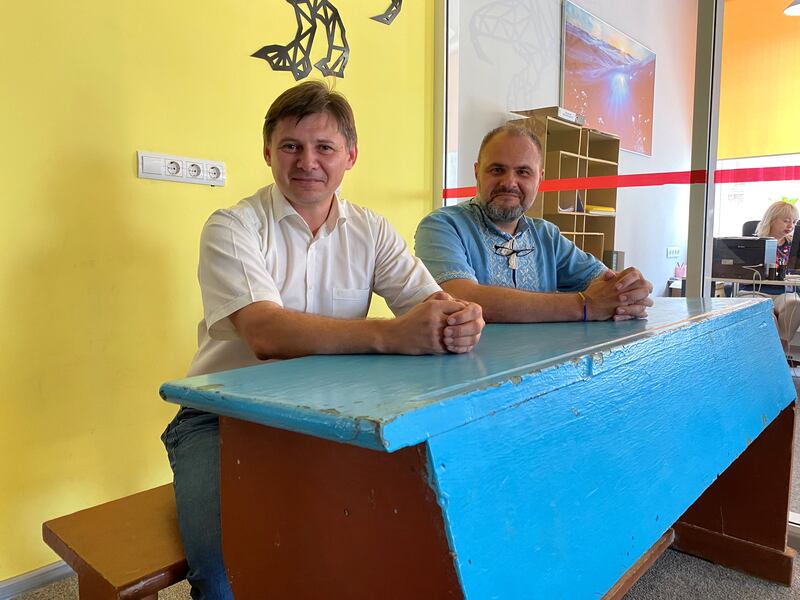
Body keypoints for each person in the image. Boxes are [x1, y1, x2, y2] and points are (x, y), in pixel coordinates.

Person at [161, 81, 485, 599]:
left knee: (375, 538)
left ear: (350, 156)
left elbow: (430, 303)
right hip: (219, 418)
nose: (307, 161)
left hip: (328, 416)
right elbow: (265, 332)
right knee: (224, 573)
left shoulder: (372, 231)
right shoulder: (232, 226)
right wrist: (393, 335)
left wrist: (459, 318)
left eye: (325, 147)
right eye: (291, 146)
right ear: (267, 151)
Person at [414, 124, 653, 322]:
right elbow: (459, 297)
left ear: (540, 178)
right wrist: (585, 305)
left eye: (523, 172)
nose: (509, 182)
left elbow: (606, 283)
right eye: (497, 170)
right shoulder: (442, 226)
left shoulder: (547, 236)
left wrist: (628, 290)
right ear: (477, 172)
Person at [740, 200, 800, 352]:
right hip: (754, 291)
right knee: (766, 314)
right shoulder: (753, 243)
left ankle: (781, 345)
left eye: (794, 222)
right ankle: (776, 353)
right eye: (786, 221)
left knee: (795, 303)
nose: (791, 226)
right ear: (772, 219)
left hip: (782, 293)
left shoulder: (794, 246)